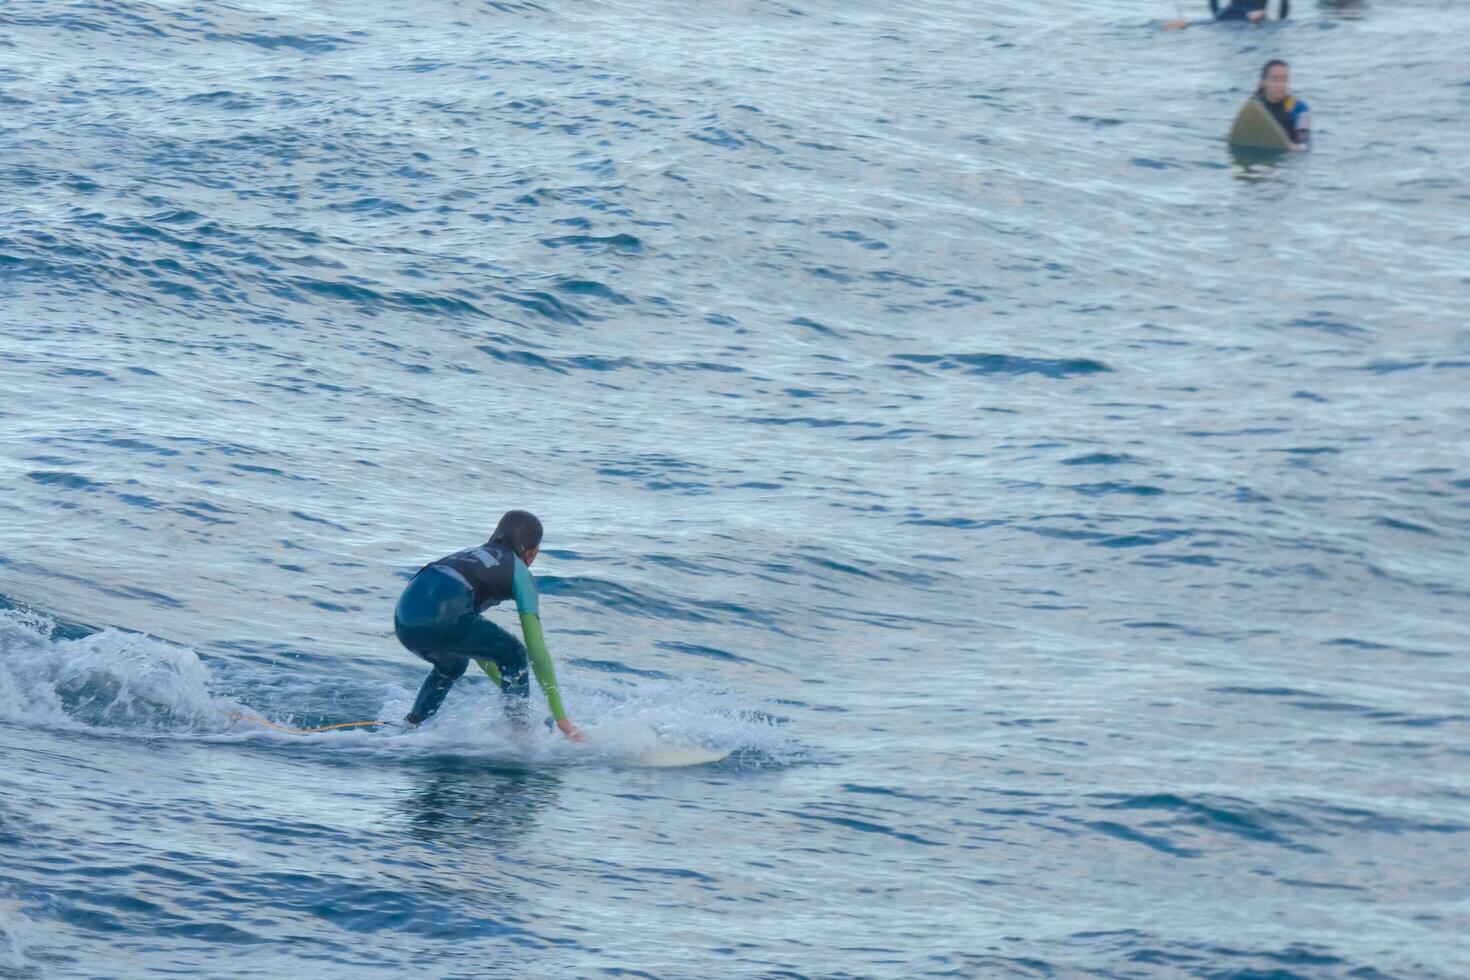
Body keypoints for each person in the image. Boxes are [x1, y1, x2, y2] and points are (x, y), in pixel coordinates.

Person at [394, 510, 584, 739]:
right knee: (514, 652)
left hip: (404, 618)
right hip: (444, 617)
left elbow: (478, 649)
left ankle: (411, 726)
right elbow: (536, 650)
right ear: (534, 552)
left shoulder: (471, 555)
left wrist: (514, 695)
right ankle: (521, 736)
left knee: (452, 666)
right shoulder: (519, 572)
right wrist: (561, 717)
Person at [1256, 59, 1311, 150]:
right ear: (1263, 82)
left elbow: (1304, 144)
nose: (1281, 85)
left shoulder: (1302, 109)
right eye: (1275, 80)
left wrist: (1295, 147)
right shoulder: (1256, 107)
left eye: (1284, 80)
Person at [1165, 0, 1281, 29]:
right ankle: (1184, 25)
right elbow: (1283, 12)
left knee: (1208, 25)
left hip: (1227, 14)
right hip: (1252, 18)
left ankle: (1183, 25)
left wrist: (1217, 14)